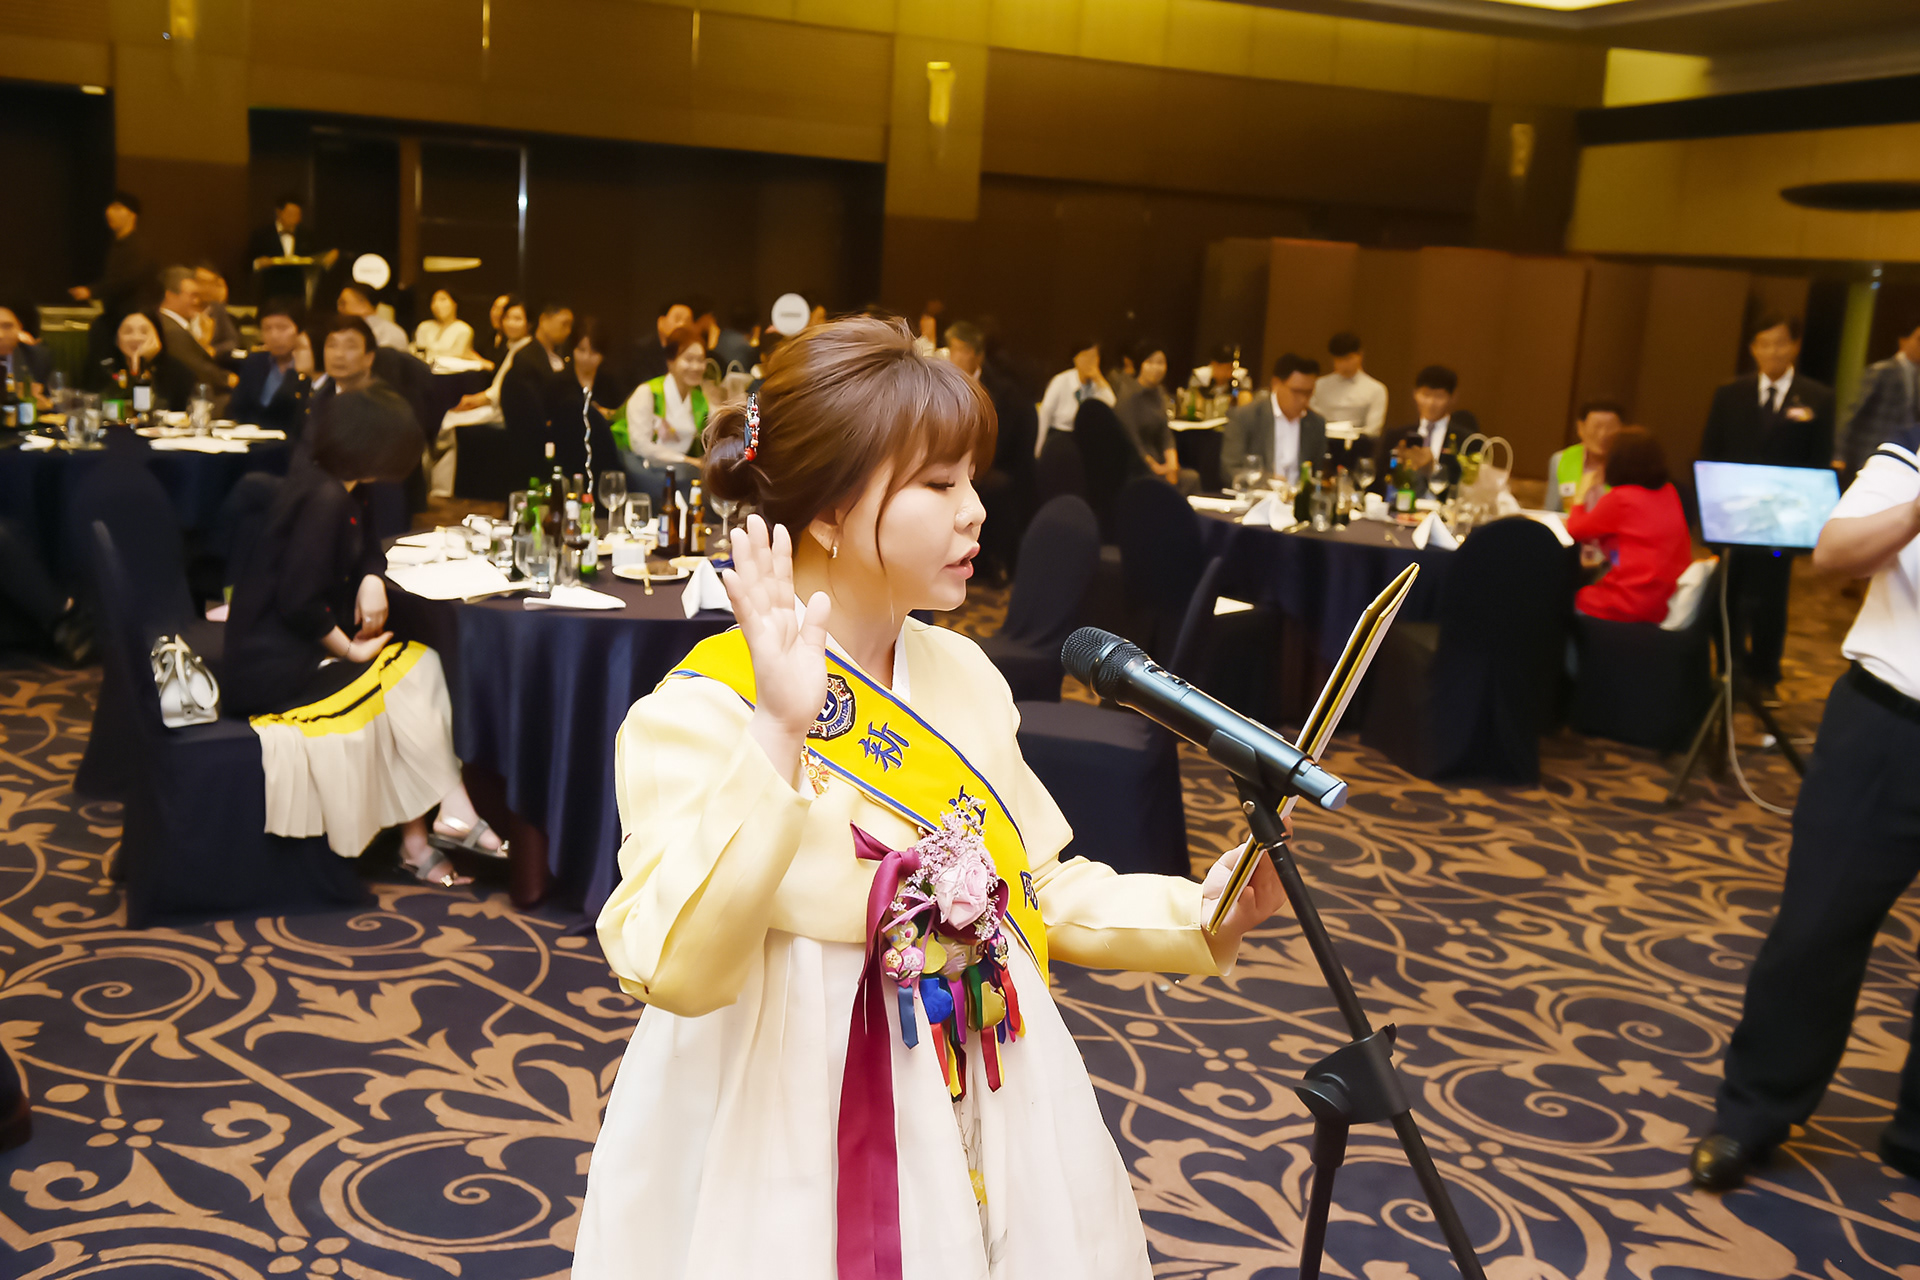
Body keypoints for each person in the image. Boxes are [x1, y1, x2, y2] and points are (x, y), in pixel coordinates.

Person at [571, 314, 1285, 1276]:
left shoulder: (964, 675)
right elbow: (677, 968)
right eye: (939, 485)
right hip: (790, 1109)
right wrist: (777, 732)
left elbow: (1031, 889)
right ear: (829, 510)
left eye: (971, 481)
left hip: (982, 1068)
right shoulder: (699, 712)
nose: (975, 512)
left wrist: (1196, 913)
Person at [1688, 421, 1920, 1192]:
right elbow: (1835, 555)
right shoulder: (1913, 451)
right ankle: (1752, 1114)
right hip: (1888, 727)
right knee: (1817, 929)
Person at [224, 385, 507, 886]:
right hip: (273, 667)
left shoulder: (344, 487)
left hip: (295, 650)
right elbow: (298, 603)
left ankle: (424, 838)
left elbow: (369, 548)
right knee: (416, 669)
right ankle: (450, 809)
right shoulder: (325, 499)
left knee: (411, 676)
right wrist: (351, 649)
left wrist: (372, 578)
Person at [1698, 315, 1835, 704]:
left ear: (1795, 346)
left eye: (1780, 343)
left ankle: (1765, 672)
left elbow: (1818, 460)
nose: (1772, 352)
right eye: (1764, 344)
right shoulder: (1730, 393)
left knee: (1771, 597)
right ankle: (1730, 668)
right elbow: (1711, 450)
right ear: (1753, 349)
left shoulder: (1817, 397)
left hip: (1782, 519)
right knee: (1729, 591)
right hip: (1734, 514)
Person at [1562, 428, 1693, 624]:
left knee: (1562, 599)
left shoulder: (1621, 499)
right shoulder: (1669, 492)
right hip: (1667, 601)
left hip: (1632, 604)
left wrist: (1581, 494)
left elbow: (1575, 529)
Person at [617, 324, 717, 486]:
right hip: (642, 473)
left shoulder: (699, 399)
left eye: (700, 360)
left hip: (679, 475)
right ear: (670, 362)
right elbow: (640, 445)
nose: (696, 367)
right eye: (688, 359)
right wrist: (686, 460)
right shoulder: (647, 392)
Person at [71, 192, 158, 364]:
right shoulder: (116, 245)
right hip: (113, 316)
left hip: (131, 319)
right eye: (110, 207)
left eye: (118, 208)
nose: (110, 212)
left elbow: (128, 279)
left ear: (132, 215)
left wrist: (92, 291)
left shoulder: (139, 248)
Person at [1223, 353, 1329, 482]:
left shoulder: (1316, 423)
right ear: (1276, 384)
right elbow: (1230, 469)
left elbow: (1318, 474)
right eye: (1297, 391)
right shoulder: (1246, 417)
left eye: (1308, 393)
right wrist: (1267, 481)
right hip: (1261, 491)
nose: (1303, 399)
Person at [1840, 315, 1920, 479]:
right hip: (1870, 451)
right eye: (1918, 340)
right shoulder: (1882, 370)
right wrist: (1839, 454)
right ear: (1903, 341)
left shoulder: (1917, 376)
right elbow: (1854, 412)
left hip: (1903, 456)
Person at [1376, 365, 1480, 488]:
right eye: (1425, 395)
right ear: (1415, 394)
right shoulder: (1396, 436)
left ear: (1452, 398)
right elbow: (1380, 479)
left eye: (1439, 396)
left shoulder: (1467, 441)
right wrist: (1396, 466)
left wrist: (1431, 469)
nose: (1431, 403)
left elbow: (1467, 484)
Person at [1117, 341, 1191, 490]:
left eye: (1160, 363)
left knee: (1192, 478)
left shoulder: (1159, 393)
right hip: (1137, 464)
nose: (1156, 368)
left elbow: (1165, 433)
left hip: (1159, 459)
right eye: (1150, 362)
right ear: (1140, 365)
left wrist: (1172, 464)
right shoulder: (1129, 396)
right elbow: (1132, 441)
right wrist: (1157, 468)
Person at [155, 266, 238, 394]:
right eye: (192, 295)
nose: (197, 301)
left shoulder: (169, 324)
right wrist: (226, 378)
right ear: (170, 296)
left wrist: (204, 343)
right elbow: (196, 368)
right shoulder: (171, 330)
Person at [232, 300, 313, 432]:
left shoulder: (308, 367)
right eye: (267, 329)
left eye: (282, 328)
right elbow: (235, 409)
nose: (274, 336)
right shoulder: (254, 362)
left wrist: (299, 373)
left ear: (300, 332)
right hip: (249, 436)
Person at [90, 311, 195, 410]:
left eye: (144, 332)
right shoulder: (104, 369)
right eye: (128, 332)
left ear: (157, 336)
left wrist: (145, 365)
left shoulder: (177, 373)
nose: (136, 338)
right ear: (116, 338)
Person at [249, 193, 336, 304]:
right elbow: (247, 262)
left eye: (297, 214)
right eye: (290, 214)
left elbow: (320, 254)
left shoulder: (306, 236)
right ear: (279, 212)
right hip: (269, 292)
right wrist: (258, 263)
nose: (295, 218)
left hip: (297, 294)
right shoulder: (262, 234)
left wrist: (332, 254)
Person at [1035, 338, 1114, 456]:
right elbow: (1045, 414)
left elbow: (1112, 404)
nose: (1090, 362)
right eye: (1086, 357)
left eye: (1094, 357)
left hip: (1085, 439)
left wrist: (1099, 379)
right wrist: (1038, 451)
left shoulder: (1096, 384)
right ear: (1075, 359)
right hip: (1060, 437)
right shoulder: (1061, 381)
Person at [1544, 402, 1626, 514]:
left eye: (1610, 428)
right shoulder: (1560, 459)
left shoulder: (1629, 465)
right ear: (1581, 428)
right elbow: (1551, 511)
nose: (1602, 434)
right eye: (1596, 427)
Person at [1309, 332, 1387, 436]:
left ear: (1360, 355)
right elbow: (1311, 419)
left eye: (1348, 359)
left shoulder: (1376, 389)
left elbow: (1373, 430)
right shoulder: (1318, 385)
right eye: (1339, 360)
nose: (1343, 364)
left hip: (1358, 441)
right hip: (1323, 439)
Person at [191, 263, 243, 362]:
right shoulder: (184, 306)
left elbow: (232, 341)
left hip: (210, 362)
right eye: (201, 281)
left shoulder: (217, 309)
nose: (205, 287)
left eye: (210, 283)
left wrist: (214, 350)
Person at [632, 300, 694, 383]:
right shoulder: (642, 353)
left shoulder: (692, 351)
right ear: (661, 322)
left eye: (687, 321)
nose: (682, 325)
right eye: (678, 319)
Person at [337, 284, 408, 352]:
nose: (339, 308)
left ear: (363, 304)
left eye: (343, 303)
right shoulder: (346, 331)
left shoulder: (390, 333)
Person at [0, 303, 51, 397]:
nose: (1, 335)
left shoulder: (36, 356)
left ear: (20, 328)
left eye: (7, 326)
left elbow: (46, 396)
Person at [414, 289, 478, 361]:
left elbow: (458, 355)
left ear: (455, 304)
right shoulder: (424, 326)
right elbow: (418, 352)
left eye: (442, 300)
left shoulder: (463, 329)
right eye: (433, 301)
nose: (437, 305)